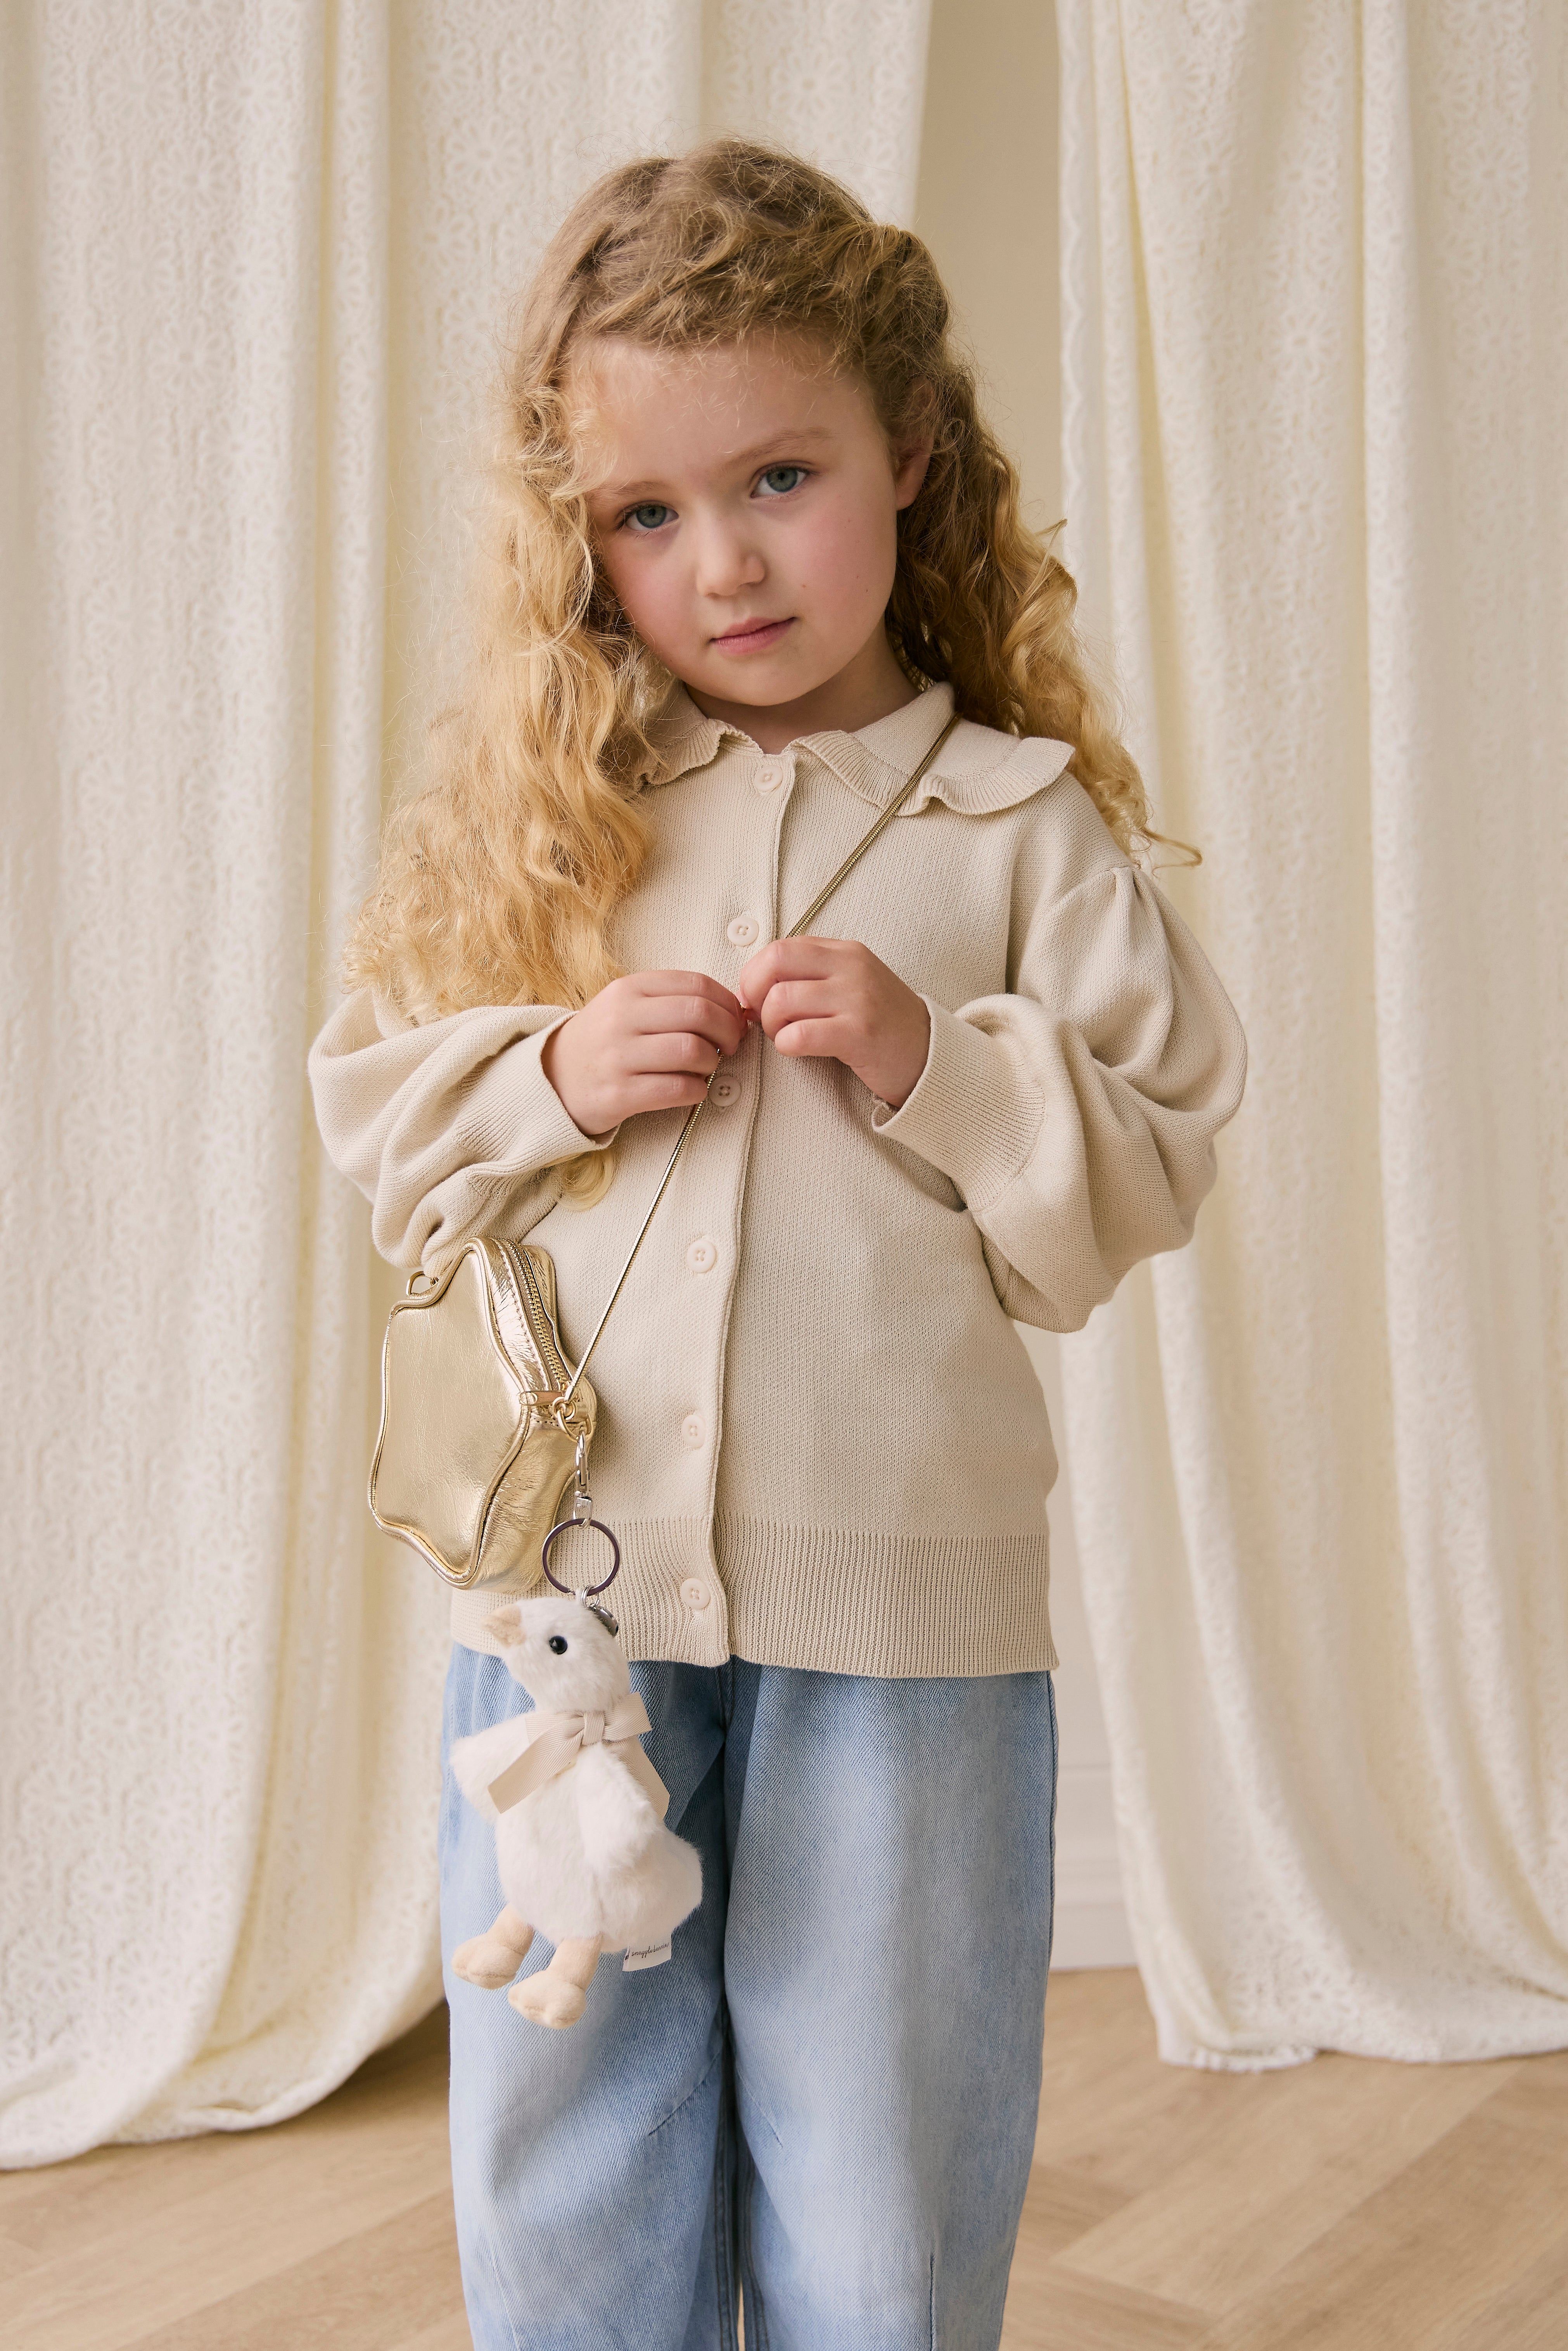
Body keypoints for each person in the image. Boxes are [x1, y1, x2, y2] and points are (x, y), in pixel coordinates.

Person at [309, 139, 1245, 2351]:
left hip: (901, 1614)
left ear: (908, 461)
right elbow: (376, 1107)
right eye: (645, 513)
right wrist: (549, 1074)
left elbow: (1155, 1150)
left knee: (887, 2154)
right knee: (567, 2132)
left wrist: (944, 1067)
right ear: (581, 536)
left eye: (780, 479)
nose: (720, 561)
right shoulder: (562, 814)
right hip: (571, 1618)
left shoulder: (1021, 827)